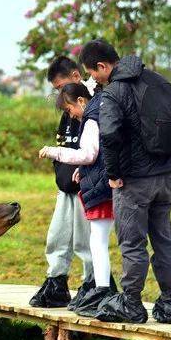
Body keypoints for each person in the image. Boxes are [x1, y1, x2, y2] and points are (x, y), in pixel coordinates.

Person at [78, 40, 171, 324]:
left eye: (92, 73)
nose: (93, 80)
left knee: (132, 243)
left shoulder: (114, 92)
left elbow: (110, 136)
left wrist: (113, 175)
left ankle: (131, 303)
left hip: (135, 180)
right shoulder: (157, 80)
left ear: (102, 66)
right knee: (164, 239)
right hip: (165, 175)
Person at [38, 82, 118, 316]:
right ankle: (100, 291)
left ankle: (100, 290)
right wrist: (84, 171)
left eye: (70, 109)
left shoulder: (92, 118)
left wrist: (55, 151)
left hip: (102, 190)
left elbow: (89, 154)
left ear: (81, 101)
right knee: (97, 241)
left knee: (96, 243)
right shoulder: (99, 112)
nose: (70, 115)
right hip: (98, 185)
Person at [28, 57, 93, 308]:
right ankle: (56, 281)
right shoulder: (68, 107)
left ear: (76, 77)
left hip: (86, 185)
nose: (59, 95)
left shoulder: (92, 103)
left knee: (85, 241)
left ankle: (93, 284)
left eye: (60, 86)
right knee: (57, 234)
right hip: (66, 184)